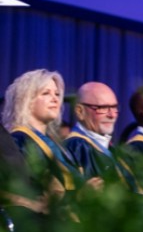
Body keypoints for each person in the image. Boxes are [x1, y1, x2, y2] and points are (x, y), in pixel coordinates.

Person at [2, 69, 93, 206]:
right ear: (26, 100)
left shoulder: (56, 143)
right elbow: (34, 192)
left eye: (57, 94)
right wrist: (80, 194)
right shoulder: (18, 141)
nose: (55, 99)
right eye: (46, 93)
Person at [65, 82, 136, 190]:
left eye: (114, 107)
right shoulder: (74, 148)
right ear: (80, 111)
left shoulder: (111, 149)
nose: (112, 115)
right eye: (102, 108)